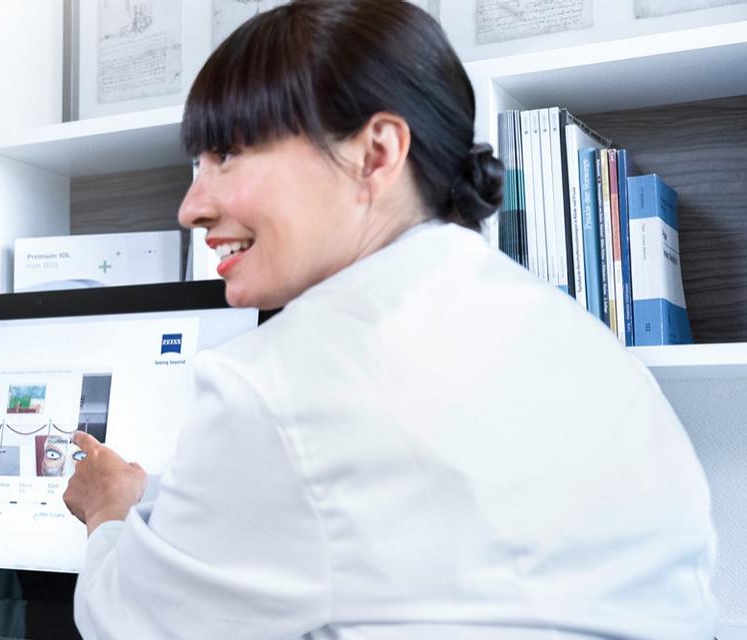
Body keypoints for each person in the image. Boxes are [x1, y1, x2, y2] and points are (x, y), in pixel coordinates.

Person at [60, 2, 716, 638]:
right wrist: (162, 497)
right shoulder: (590, 348)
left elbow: (134, 624)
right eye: (195, 166)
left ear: (376, 154)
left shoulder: (270, 382)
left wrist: (109, 511)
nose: (192, 208)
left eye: (227, 155)